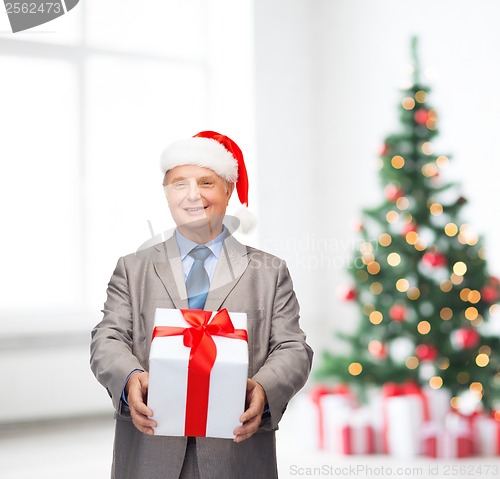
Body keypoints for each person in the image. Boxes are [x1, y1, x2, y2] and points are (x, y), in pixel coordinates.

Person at [90, 131, 313, 479]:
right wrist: (130, 377)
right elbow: (107, 338)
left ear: (228, 190)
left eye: (206, 182)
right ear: (167, 194)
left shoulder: (269, 272)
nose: (193, 195)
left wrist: (265, 388)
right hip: (151, 451)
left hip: (235, 452)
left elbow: (293, 347)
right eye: (180, 184)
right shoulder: (133, 268)